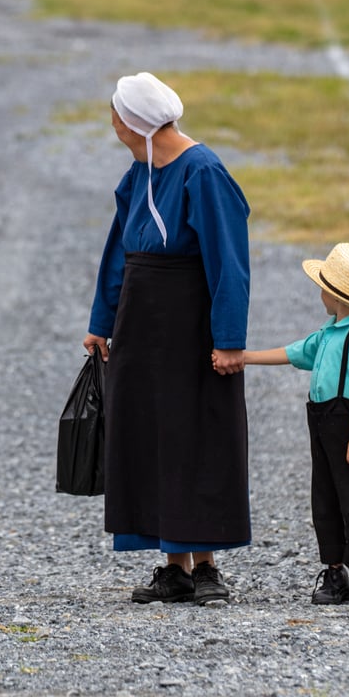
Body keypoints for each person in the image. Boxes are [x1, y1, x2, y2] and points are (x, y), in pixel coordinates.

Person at [83, 72, 251, 606]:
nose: (112, 124)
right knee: (150, 434)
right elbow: (119, 252)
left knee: (195, 433)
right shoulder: (140, 172)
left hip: (190, 323)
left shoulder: (203, 172)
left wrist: (228, 338)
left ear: (130, 123)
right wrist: (101, 320)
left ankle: (206, 567)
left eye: (114, 115)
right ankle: (173, 566)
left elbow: (229, 261)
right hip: (141, 321)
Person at [235, 242, 349, 607]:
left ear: (335, 295)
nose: (319, 293)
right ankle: (335, 573)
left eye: (323, 286)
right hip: (321, 425)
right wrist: (246, 358)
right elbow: (293, 352)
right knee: (325, 499)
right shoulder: (327, 335)